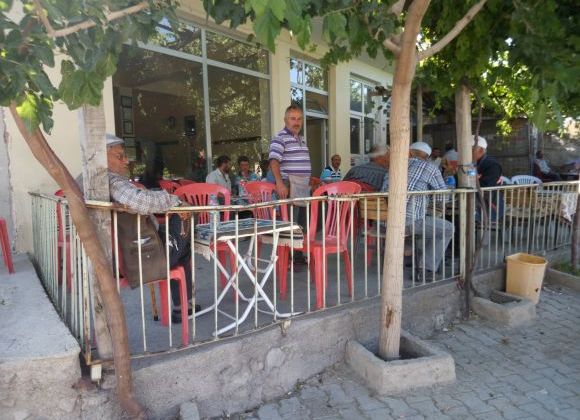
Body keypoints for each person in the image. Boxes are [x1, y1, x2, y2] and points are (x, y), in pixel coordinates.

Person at [105, 133, 197, 323]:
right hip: (141, 254)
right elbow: (141, 201)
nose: (126, 161)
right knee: (186, 217)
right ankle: (182, 306)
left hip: (133, 245)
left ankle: (182, 306)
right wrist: (177, 201)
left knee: (183, 245)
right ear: (100, 158)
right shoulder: (111, 181)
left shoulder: (95, 181)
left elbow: (140, 198)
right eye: (119, 156)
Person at [381, 142, 454, 274]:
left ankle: (410, 256)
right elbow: (443, 198)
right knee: (447, 228)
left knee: (425, 223)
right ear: (427, 157)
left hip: (384, 222)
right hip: (406, 223)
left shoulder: (394, 166)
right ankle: (426, 267)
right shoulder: (431, 168)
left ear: (409, 153)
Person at [268, 103, 311, 263]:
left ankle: (297, 256)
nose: (296, 122)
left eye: (299, 119)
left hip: (302, 186)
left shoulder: (301, 139)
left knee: (300, 225)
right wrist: (279, 183)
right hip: (289, 185)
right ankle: (287, 259)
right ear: (285, 120)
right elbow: (274, 161)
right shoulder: (280, 138)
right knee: (291, 224)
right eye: (293, 118)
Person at [472, 135, 504, 220]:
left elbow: (486, 185)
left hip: (489, 207)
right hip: (475, 204)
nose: (468, 152)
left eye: (471, 149)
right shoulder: (472, 163)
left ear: (481, 150)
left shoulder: (492, 164)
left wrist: (472, 179)